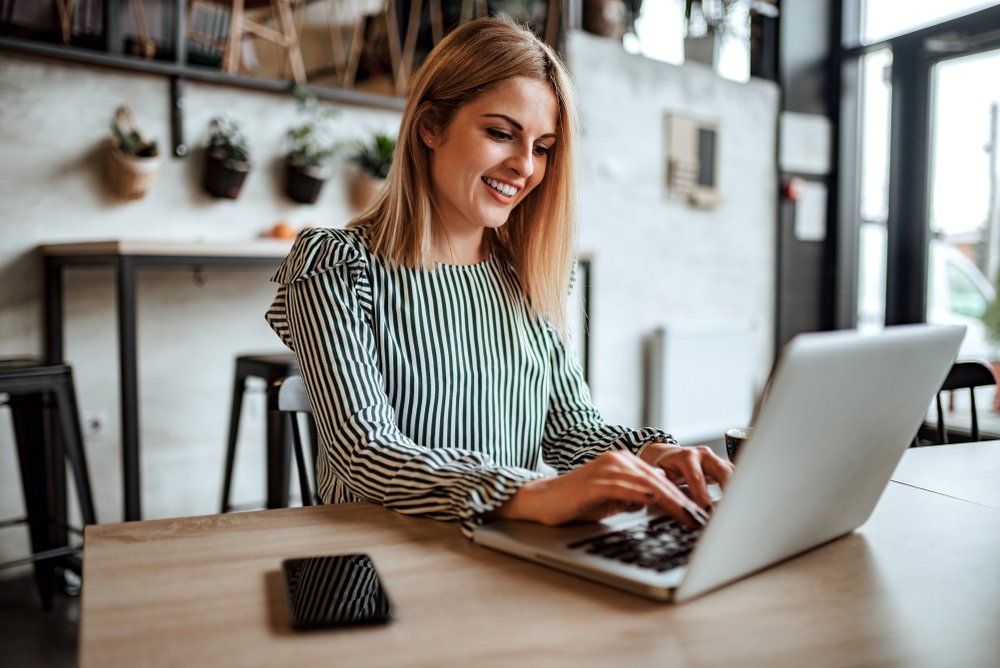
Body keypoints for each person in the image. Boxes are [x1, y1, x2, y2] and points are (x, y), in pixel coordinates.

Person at [266, 16, 732, 537]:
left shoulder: (524, 276)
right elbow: (366, 454)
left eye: (542, 147)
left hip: (503, 550)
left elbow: (570, 428)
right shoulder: (337, 267)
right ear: (430, 127)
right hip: (383, 561)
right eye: (500, 134)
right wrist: (528, 493)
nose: (525, 167)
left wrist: (650, 454)